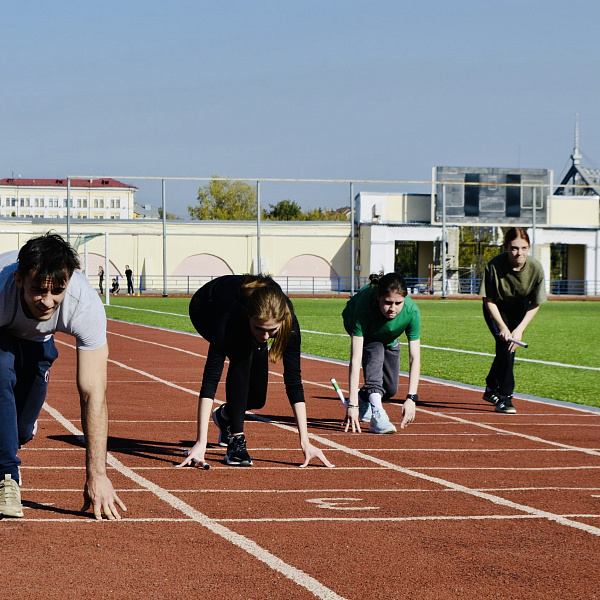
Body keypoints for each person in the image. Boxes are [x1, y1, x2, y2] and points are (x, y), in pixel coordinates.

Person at [0, 233, 126, 519]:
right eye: (38, 290)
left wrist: (97, 475)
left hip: (40, 341)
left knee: (17, 431)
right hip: (1, 332)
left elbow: (93, 391)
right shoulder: (0, 289)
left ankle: (11, 439)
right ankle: (7, 477)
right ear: (19, 279)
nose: (47, 300)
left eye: (57, 290)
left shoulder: (84, 304)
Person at [179, 274, 334, 468]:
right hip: (207, 306)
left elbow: (293, 381)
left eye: (272, 331)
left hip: (245, 316)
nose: (266, 336)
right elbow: (211, 377)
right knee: (242, 356)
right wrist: (201, 442)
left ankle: (225, 415)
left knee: (257, 399)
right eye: (260, 329)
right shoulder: (232, 315)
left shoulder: (289, 322)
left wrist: (305, 442)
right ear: (249, 317)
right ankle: (236, 440)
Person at [342, 272, 421, 434]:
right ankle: (378, 416)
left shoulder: (412, 311)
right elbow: (356, 359)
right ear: (378, 296)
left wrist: (411, 397)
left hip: (390, 336)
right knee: (375, 354)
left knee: (390, 389)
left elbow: (414, 357)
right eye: (387, 302)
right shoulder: (364, 304)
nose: (393, 309)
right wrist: (352, 404)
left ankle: (366, 398)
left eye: (398, 303)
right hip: (366, 331)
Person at [480, 227, 546, 414]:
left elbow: (536, 303)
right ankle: (505, 396)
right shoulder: (494, 266)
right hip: (497, 309)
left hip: (520, 309)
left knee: (507, 348)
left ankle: (491, 388)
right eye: (514, 248)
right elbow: (488, 300)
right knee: (506, 346)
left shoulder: (536, 268)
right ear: (506, 247)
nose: (519, 253)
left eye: (524, 248)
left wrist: (520, 329)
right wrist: (502, 326)